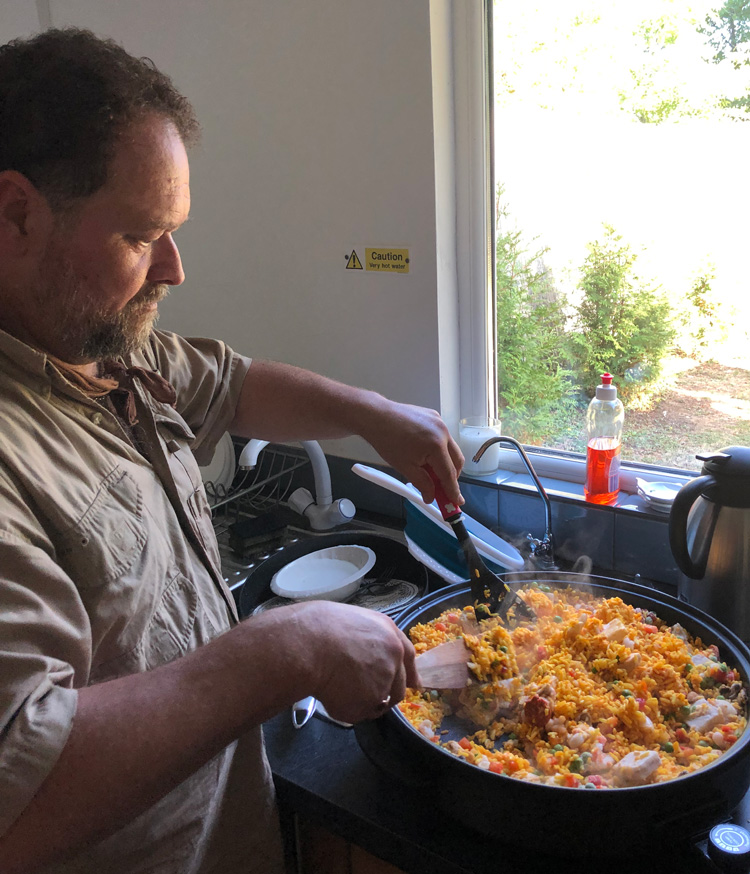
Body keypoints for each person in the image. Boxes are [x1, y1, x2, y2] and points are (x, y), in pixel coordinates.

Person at [0, 27, 464, 874]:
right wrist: (288, 650)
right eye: (142, 237)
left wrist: (381, 414)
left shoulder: (99, 343)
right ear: (17, 213)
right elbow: (18, 803)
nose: (175, 268)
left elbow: (234, 384)